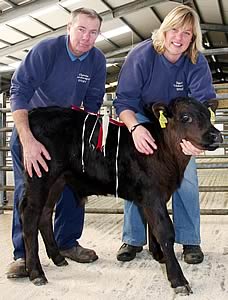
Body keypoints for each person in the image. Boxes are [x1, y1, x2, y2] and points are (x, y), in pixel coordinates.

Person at [7, 7, 106, 278]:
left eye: (93, 32)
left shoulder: (97, 60)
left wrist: (87, 143)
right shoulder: (46, 51)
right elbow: (19, 91)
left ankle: (67, 242)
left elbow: (94, 103)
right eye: (81, 29)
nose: (87, 37)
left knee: (75, 186)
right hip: (35, 130)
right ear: (69, 28)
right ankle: (23, 254)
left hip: (70, 134)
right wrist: (27, 141)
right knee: (28, 192)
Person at [114, 5, 216, 264]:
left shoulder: (195, 60)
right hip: (142, 118)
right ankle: (133, 238)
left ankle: (190, 239)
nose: (179, 38)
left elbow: (205, 103)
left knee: (187, 176)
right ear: (164, 30)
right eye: (174, 30)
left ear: (193, 38)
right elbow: (124, 100)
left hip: (180, 123)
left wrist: (198, 142)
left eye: (187, 33)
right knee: (138, 172)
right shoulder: (142, 55)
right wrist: (135, 128)